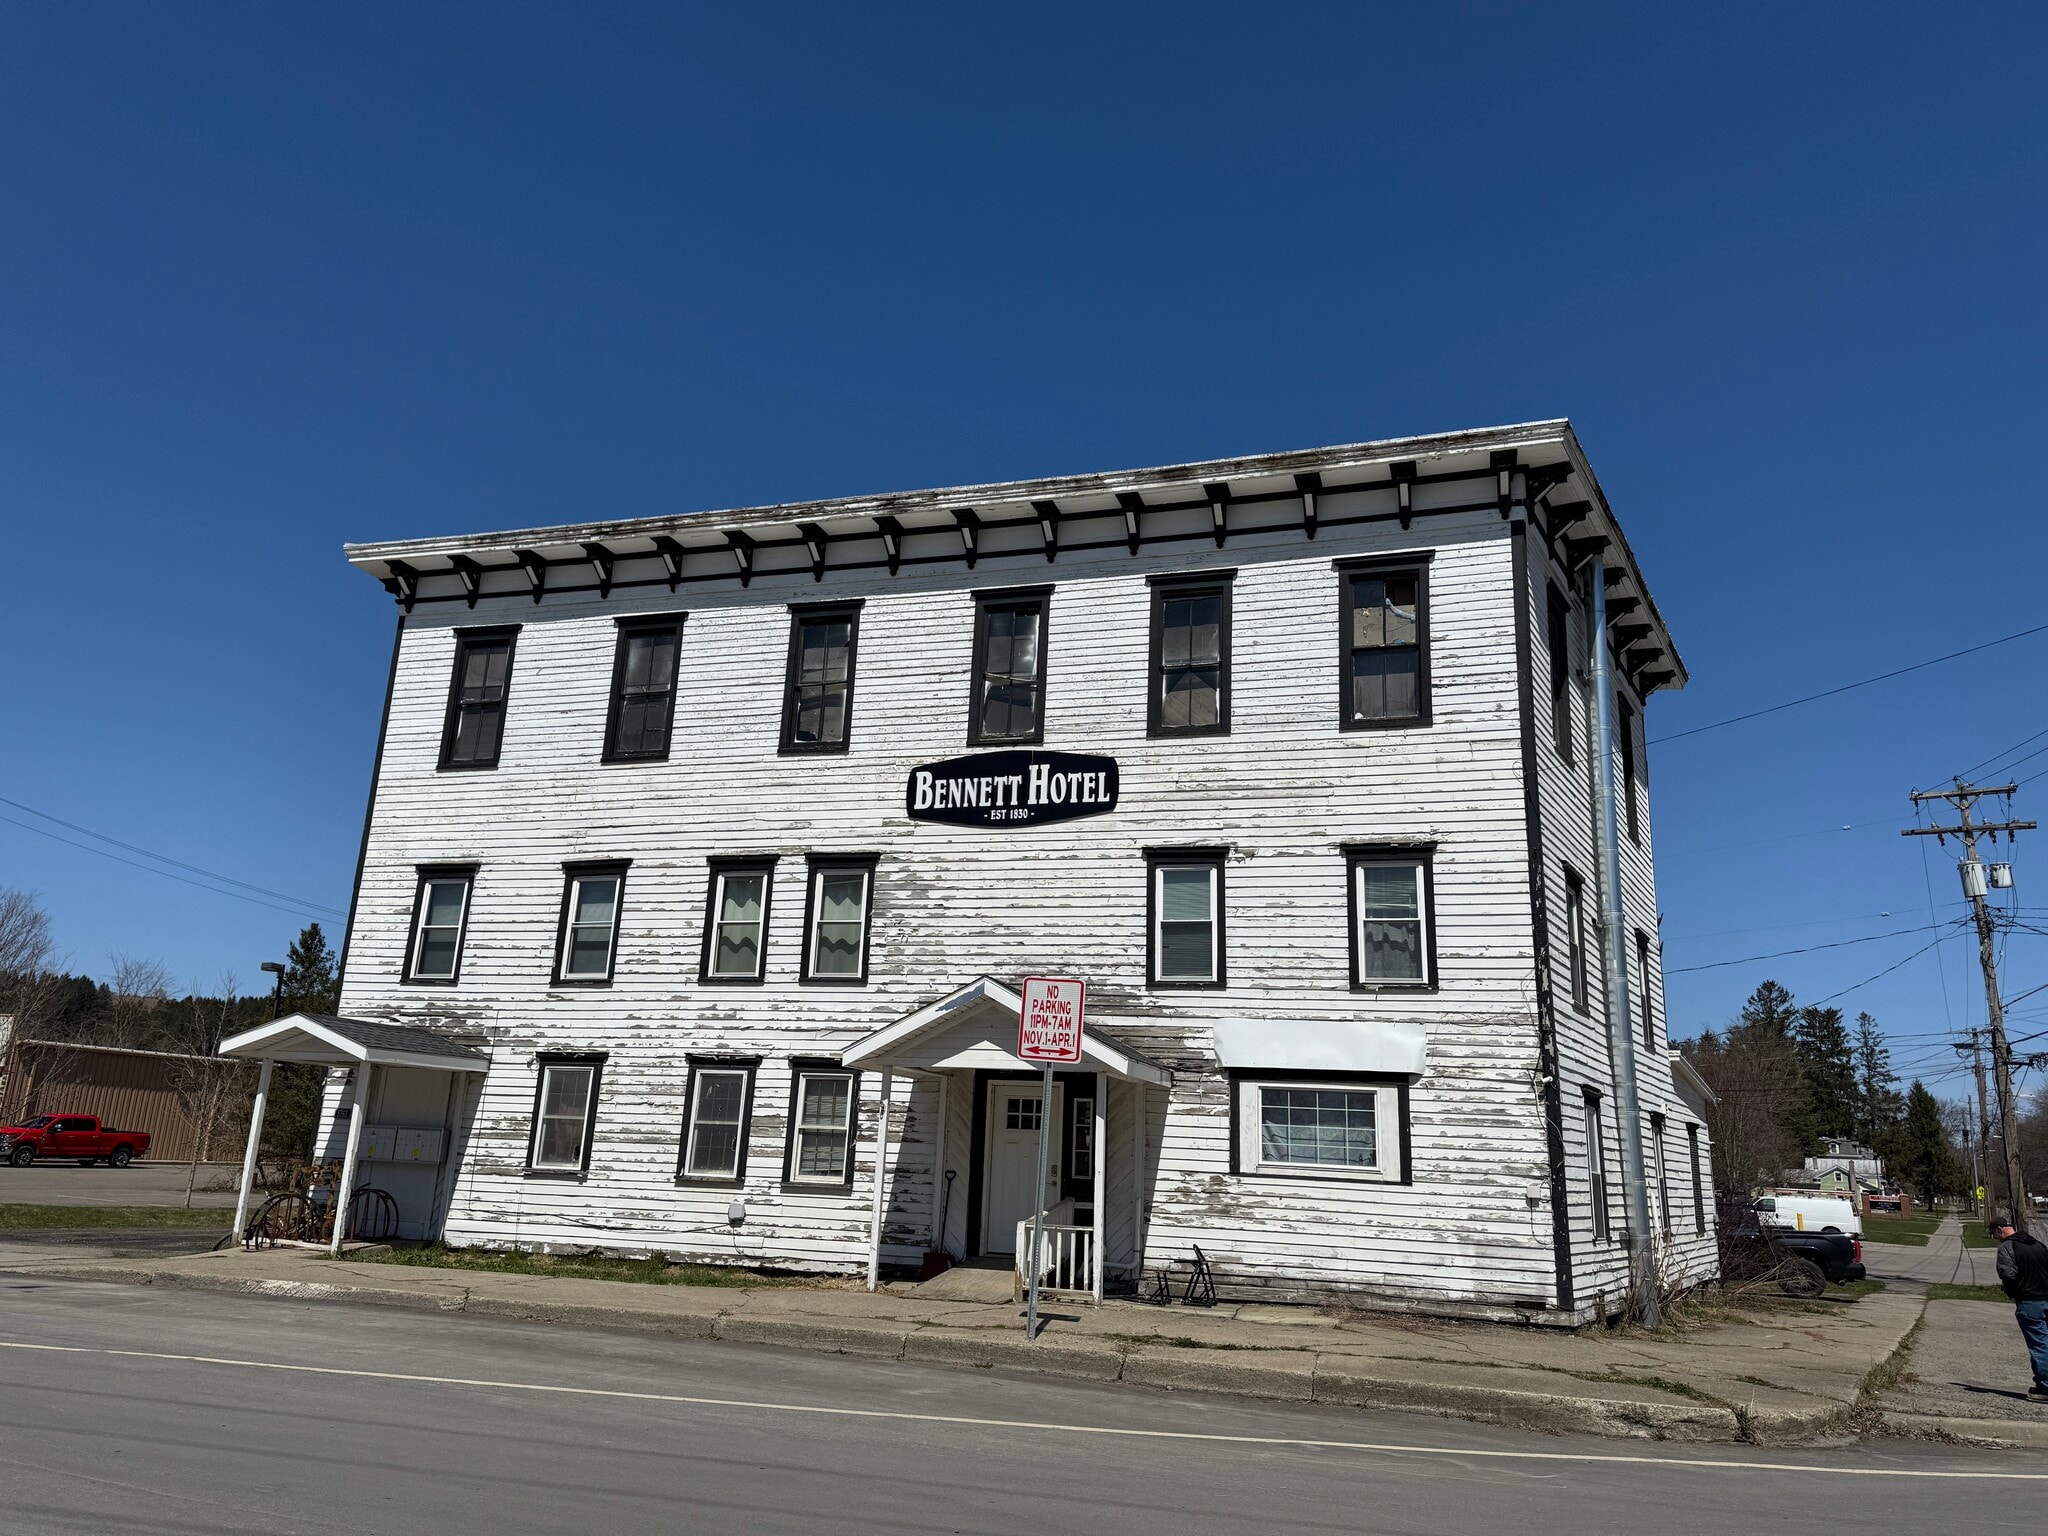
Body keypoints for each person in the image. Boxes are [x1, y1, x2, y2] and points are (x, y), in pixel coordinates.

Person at [1989, 1210, 2048, 1403]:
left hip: (2030, 1302)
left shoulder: (2007, 1247)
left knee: (2039, 1345)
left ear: (2000, 1231)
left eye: (1994, 1234)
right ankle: (2041, 1383)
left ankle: (2046, 1388)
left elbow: (2008, 1274)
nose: (1996, 1239)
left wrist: (2013, 1294)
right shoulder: (2037, 1245)